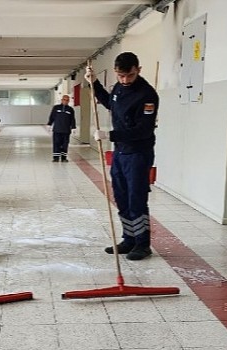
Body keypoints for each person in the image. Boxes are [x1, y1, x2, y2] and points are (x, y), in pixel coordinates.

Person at [85, 52, 159, 260]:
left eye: (130, 75)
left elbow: (143, 130)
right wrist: (95, 83)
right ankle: (129, 238)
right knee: (121, 198)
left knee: (136, 199)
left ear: (138, 70)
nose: (125, 80)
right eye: (121, 76)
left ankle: (143, 244)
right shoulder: (118, 88)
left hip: (138, 153)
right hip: (120, 153)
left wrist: (110, 135)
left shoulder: (147, 95)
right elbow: (111, 104)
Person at [47, 95, 76, 162]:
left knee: (65, 144)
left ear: (68, 101)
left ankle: (64, 158)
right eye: (64, 99)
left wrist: (73, 127)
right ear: (62, 100)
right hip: (57, 130)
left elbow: (72, 119)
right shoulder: (56, 108)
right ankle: (56, 158)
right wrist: (49, 124)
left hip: (66, 131)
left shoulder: (70, 109)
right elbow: (52, 117)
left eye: (67, 100)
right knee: (56, 143)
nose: (65, 101)